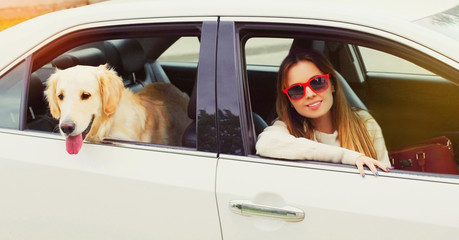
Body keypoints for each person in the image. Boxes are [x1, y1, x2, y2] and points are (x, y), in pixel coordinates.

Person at [256, 49, 392, 177]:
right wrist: (349, 157)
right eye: (296, 90)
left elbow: (386, 179)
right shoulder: (286, 127)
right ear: (289, 100)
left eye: (317, 82)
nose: (309, 94)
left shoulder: (364, 123)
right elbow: (265, 144)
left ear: (332, 84)